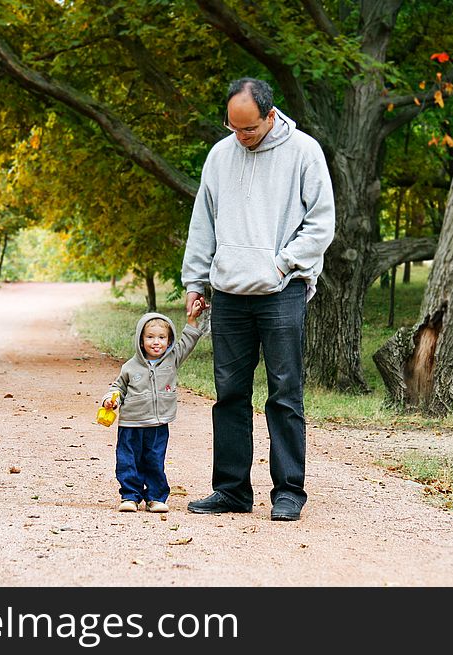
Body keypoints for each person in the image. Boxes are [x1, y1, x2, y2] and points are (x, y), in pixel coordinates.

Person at [181, 77, 335, 521]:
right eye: (233, 127)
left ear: (270, 116)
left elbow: (321, 223)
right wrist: (195, 281)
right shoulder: (219, 155)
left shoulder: (304, 152)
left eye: (248, 129)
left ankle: (288, 491)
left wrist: (283, 264)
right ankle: (231, 490)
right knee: (229, 393)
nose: (240, 137)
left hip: (280, 291)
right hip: (228, 293)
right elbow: (203, 223)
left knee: (285, 392)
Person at [101, 301, 203, 513]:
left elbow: (188, 341)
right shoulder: (130, 366)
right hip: (131, 424)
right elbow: (117, 387)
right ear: (141, 339)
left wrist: (192, 319)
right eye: (150, 337)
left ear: (169, 340)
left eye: (161, 337)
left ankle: (156, 497)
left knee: (155, 460)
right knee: (128, 461)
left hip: (158, 423)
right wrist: (110, 400)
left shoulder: (172, 359)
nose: (156, 342)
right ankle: (130, 496)